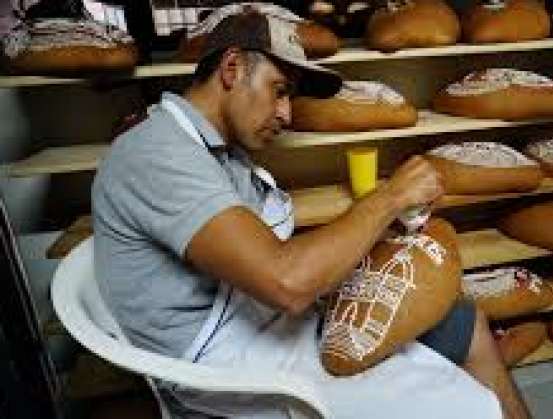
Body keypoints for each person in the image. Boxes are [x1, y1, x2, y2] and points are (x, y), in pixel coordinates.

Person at [92, 11, 530, 419]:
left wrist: (382, 226)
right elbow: (287, 281)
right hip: (229, 366)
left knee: (466, 322)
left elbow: (268, 260)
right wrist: (388, 197)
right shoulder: (157, 153)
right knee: (462, 407)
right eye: (279, 90)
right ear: (231, 69)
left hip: (276, 322)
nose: (286, 113)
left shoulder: (225, 153)